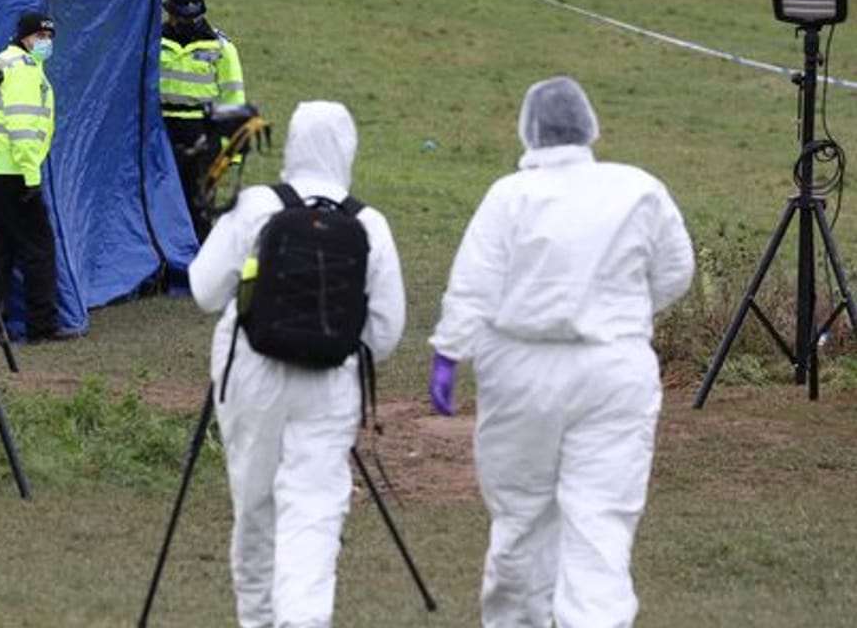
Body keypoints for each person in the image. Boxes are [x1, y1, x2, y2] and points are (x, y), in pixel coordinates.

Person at [428, 76, 695, 627]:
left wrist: (449, 353)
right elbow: (675, 270)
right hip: (614, 370)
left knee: (522, 517)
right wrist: (625, 311)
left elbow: (475, 280)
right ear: (589, 126)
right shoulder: (636, 188)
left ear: (529, 131)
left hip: (521, 369)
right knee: (600, 522)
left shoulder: (510, 196)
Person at [190, 100, 406, 627]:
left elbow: (204, 290)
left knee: (256, 506)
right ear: (348, 149)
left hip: (252, 378)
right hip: (329, 384)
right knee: (313, 511)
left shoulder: (257, 205)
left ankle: (258, 619)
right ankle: (303, 618)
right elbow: (386, 331)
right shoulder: (368, 223)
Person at [0, 10, 78, 344]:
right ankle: (42, 326)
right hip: (15, 172)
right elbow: (21, 123)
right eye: (40, 36)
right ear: (24, 37)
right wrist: (30, 175)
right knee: (38, 248)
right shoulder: (22, 70)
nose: (46, 43)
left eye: (49, 37)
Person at [159, 0, 247, 242]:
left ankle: (200, 265)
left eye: (193, 17)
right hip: (162, 130)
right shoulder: (154, 40)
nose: (188, 22)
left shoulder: (221, 48)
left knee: (199, 205)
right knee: (162, 202)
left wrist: (233, 152)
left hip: (202, 136)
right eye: (182, 17)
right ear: (170, 15)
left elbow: (234, 100)